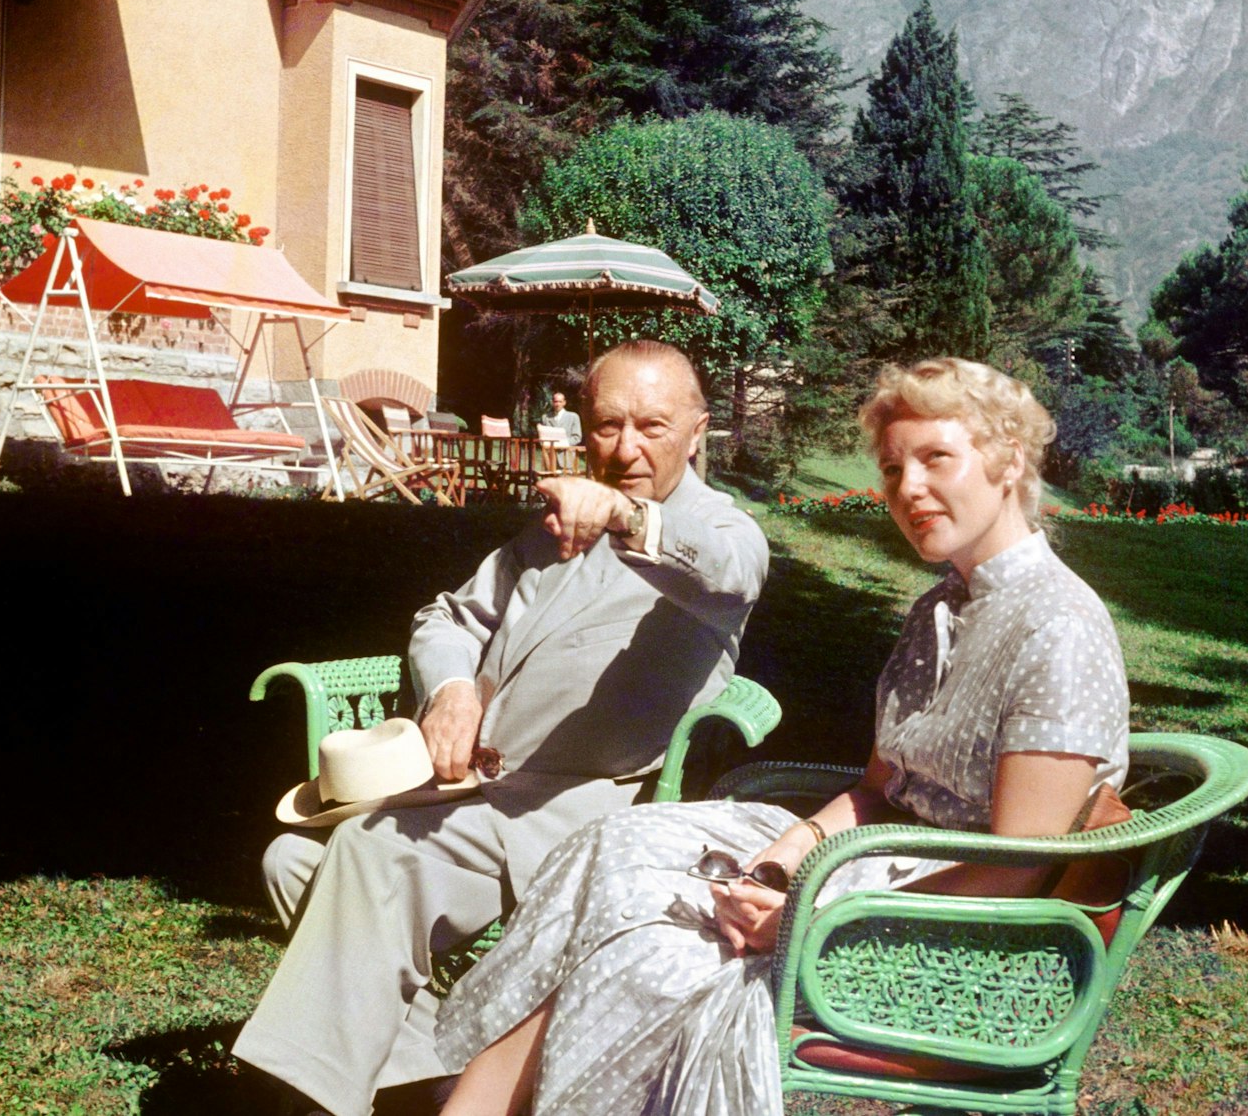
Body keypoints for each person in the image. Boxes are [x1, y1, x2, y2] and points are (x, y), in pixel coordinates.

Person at [432, 357, 1130, 1116]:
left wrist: (808, 917)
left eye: (937, 459)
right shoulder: (938, 609)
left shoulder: (1056, 625)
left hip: (947, 933)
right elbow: (874, 791)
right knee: (614, 849)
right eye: (894, 468)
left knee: (650, 951)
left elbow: (1014, 869)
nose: (910, 490)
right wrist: (776, 866)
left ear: (1007, 463)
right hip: (876, 864)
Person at [234, 340, 771, 1116]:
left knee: (367, 853)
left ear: (697, 430)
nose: (625, 449)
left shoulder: (720, 533)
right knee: (293, 861)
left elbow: (731, 572)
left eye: (651, 426)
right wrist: (453, 688)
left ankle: (310, 1104)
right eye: (607, 425)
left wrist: (625, 515)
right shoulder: (550, 530)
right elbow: (449, 616)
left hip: (584, 808)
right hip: (475, 791)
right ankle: (428, 1084)